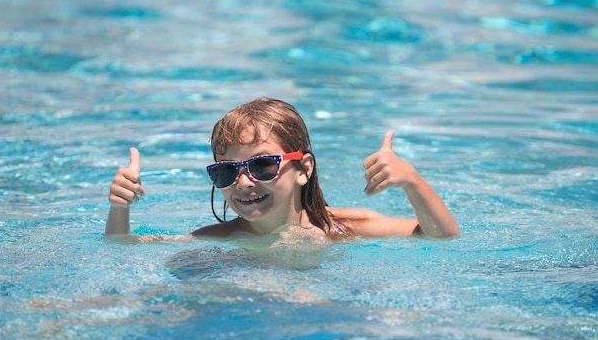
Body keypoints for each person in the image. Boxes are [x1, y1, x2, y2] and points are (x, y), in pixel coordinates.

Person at [105, 97, 459, 241]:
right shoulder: (221, 238)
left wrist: (411, 181)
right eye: (227, 172)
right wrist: (119, 208)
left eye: (262, 165)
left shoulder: (342, 228)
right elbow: (123, 249)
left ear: (303, 168)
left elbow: (440, 237)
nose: (243, 182)